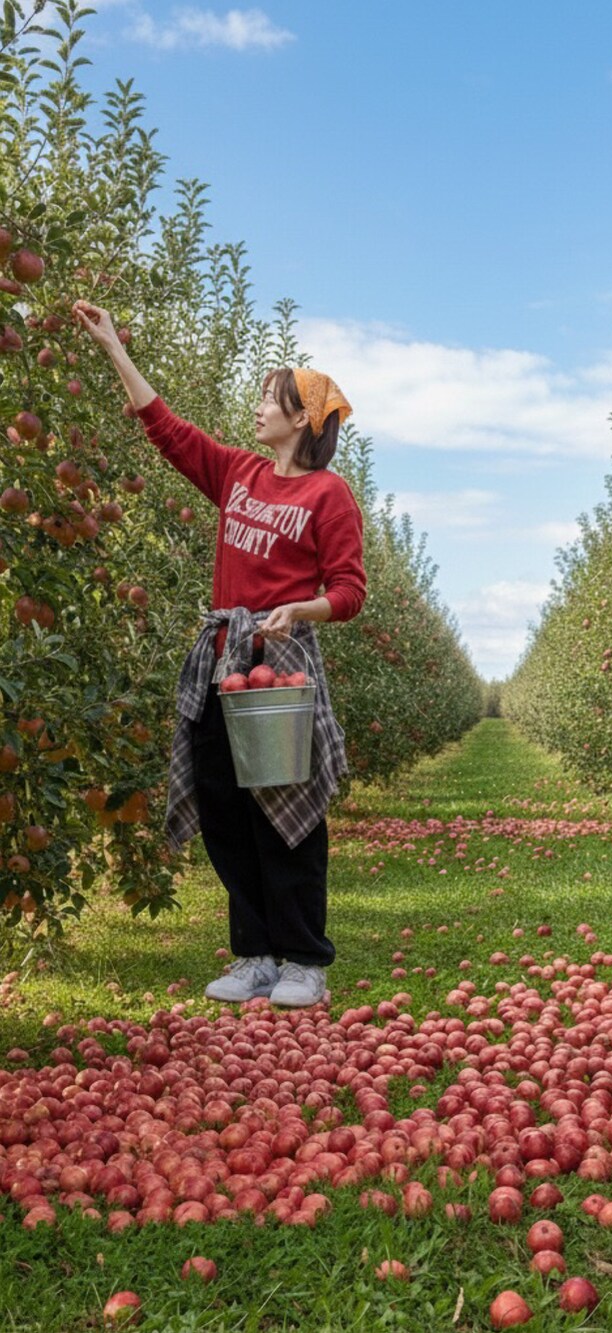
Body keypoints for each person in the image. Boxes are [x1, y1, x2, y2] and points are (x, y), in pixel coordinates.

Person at [73, 300, 366, 1008]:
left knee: (286, 806)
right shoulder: (238, 473)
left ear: (302, 418)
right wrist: (115, 345)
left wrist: (303, 608)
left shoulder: (328, 495)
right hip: (220, 657)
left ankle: (304, 960)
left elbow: (351, 589)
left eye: (272, 398)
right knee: (226, 803)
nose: (259, 406)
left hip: (281, 663)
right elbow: (167, 431)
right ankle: (256, 953)